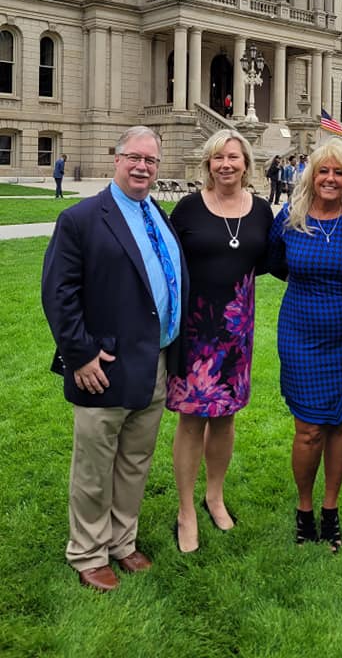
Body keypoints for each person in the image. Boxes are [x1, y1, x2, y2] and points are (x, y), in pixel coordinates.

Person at [42, 126, 189, 592]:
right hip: (101, 367)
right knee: (94, 464)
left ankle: (121, 541)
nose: (142, 166)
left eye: (151, 160)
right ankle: (87, 552)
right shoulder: (82, 218)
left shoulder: (157, 216)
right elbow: (58, 293)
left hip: (155, 362)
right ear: (116, 159)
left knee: (135, 461)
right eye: (134, 157)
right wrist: (79, 354)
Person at [166, 129, 273, 553]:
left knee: (225, 417)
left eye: (233, 157)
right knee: (191, 419)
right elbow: (169, 264)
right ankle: (186, 510)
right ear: (207, 164)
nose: (225, 164)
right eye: (217, 158)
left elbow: (269, 260)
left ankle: (214, 496)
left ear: (247, 163)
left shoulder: (261, 211)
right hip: (194, 331)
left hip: (236, 331)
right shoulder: (189, 209)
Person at [268, 138, 342, 550]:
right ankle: (305, 508)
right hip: (300, 335)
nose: (330, 179)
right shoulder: (290, 218)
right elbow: (275, 263)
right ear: (311, 175)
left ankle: (331, 510)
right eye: (323, 171)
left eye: (339, 172)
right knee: (309, 429)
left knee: (341, 424)